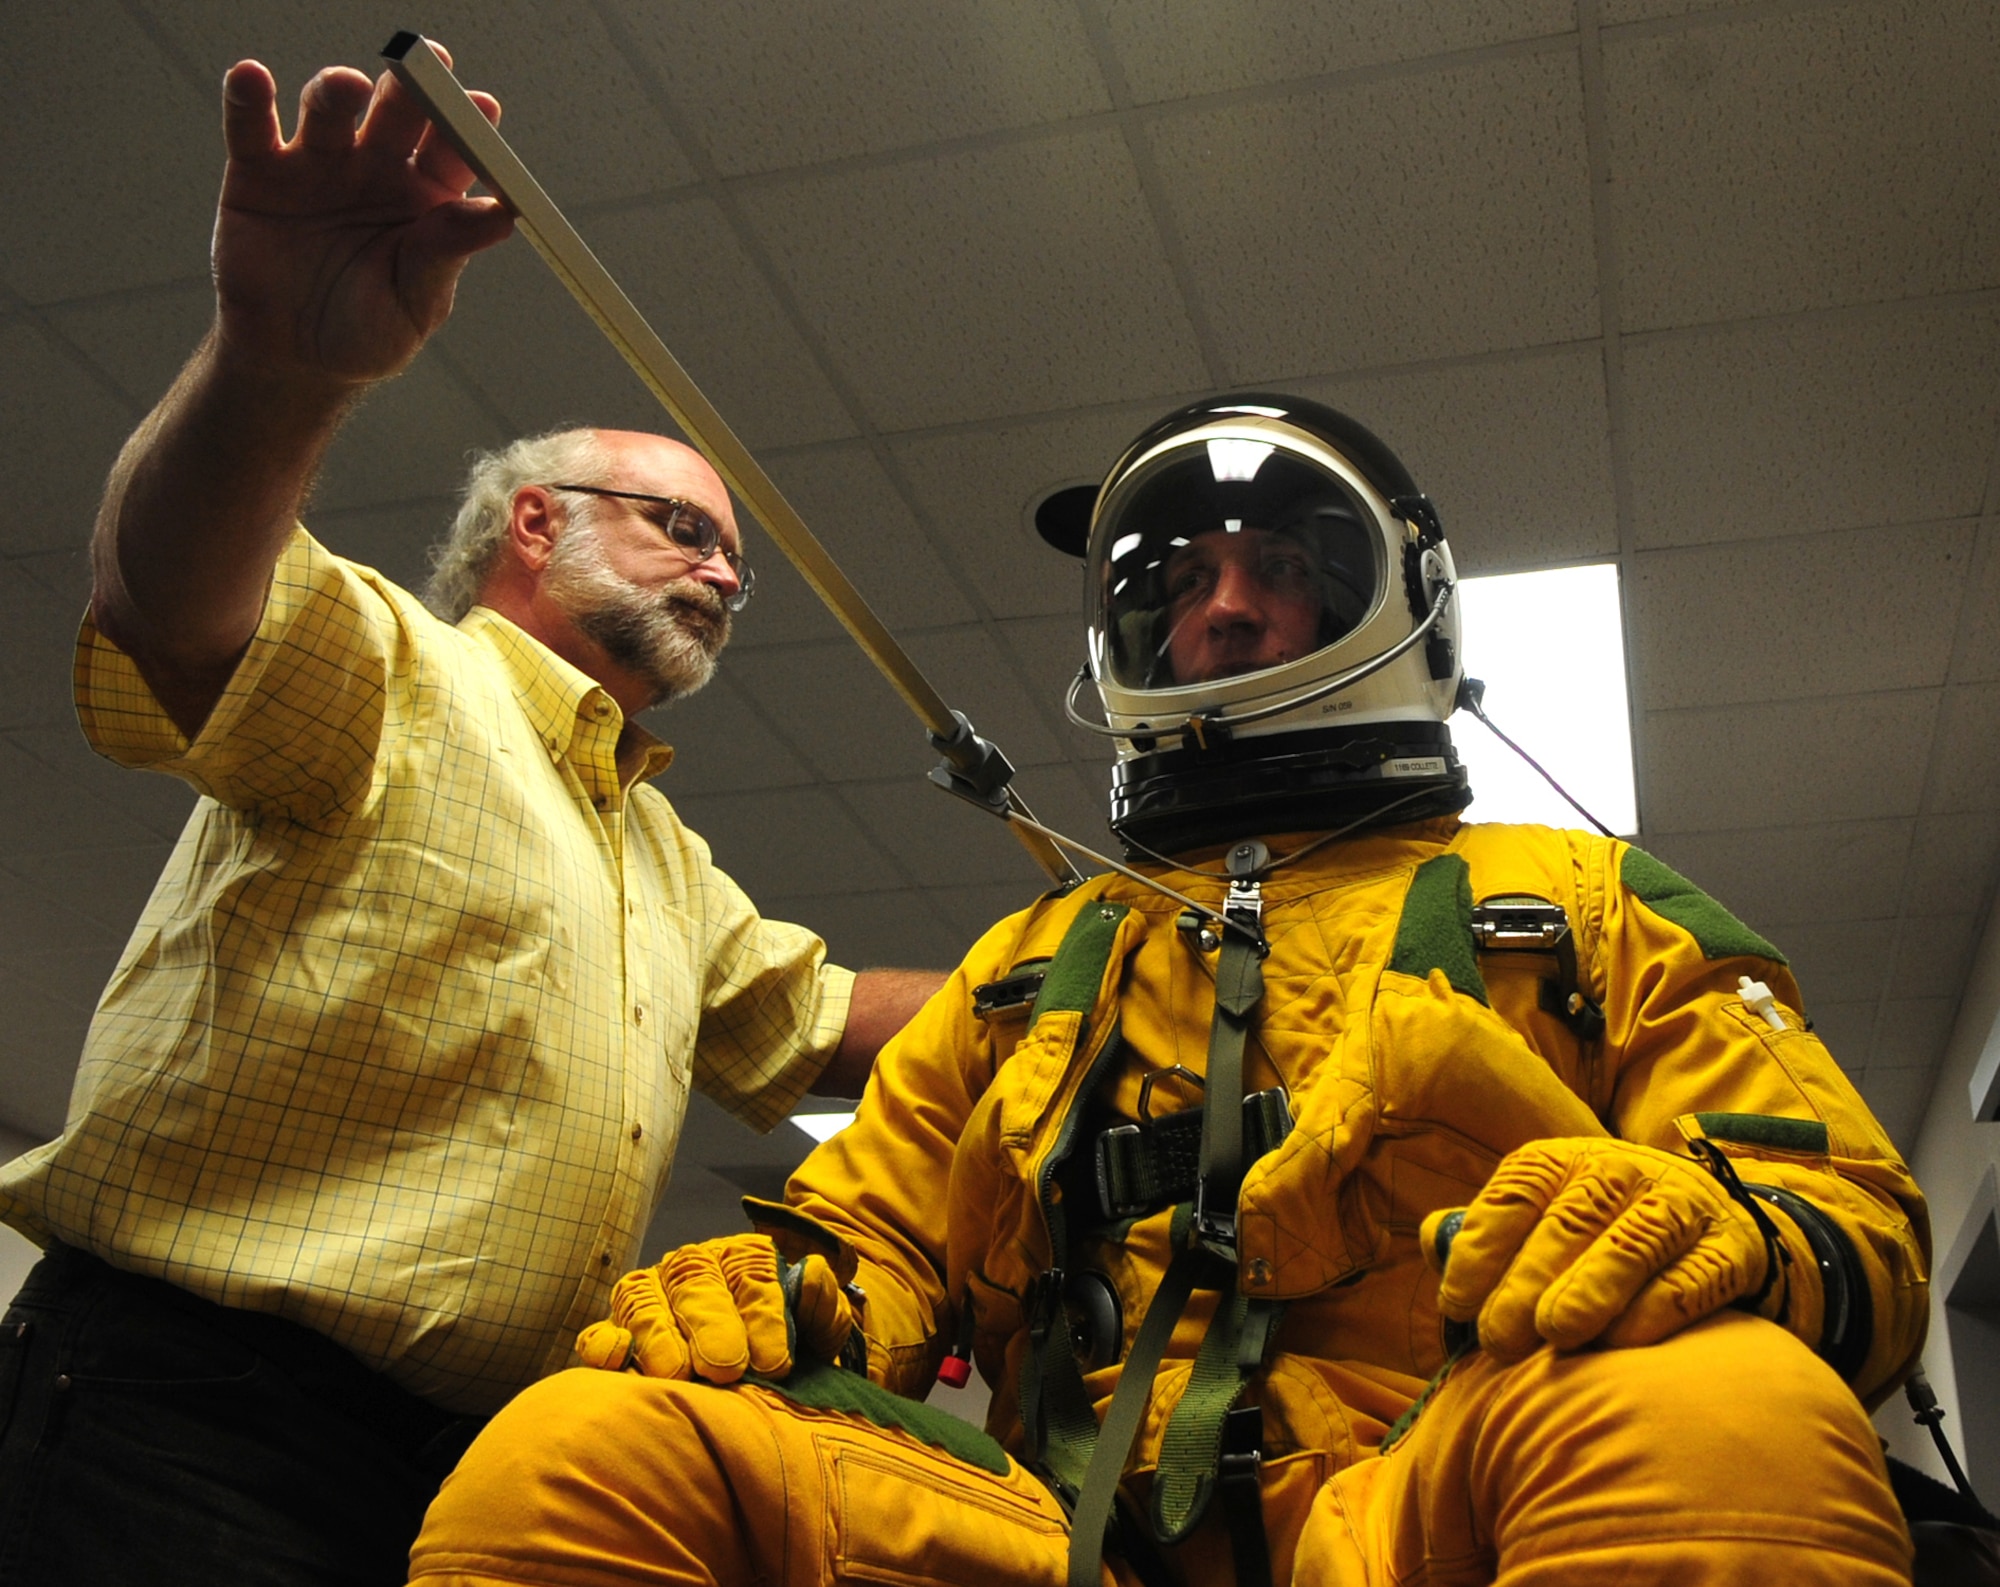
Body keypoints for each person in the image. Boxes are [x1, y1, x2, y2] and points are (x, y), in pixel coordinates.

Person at [409, 394, 1933, 1587]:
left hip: (1436, 1505)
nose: (1223, 612)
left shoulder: (1580, 904)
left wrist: (1726, 1229)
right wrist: (790, 1292)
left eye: (1283, 569)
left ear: (1400, 602)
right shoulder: (1034, 968)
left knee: (1726, 1408)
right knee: (592, 1447)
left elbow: (1857, 1225)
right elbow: (866, 1233)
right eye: (1182, 580)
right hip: (1054, 1542)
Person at [0, 50, 940, 1587]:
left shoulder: (659, 854)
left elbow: (834, 1020)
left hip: (472, 1471)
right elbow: (170, 606)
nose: (721, 574)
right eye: (682, 529)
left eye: (734, 565)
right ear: (533, 523)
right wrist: (278, 363)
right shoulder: (394, 671)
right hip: (193, 1419)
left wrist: (1095, 974)